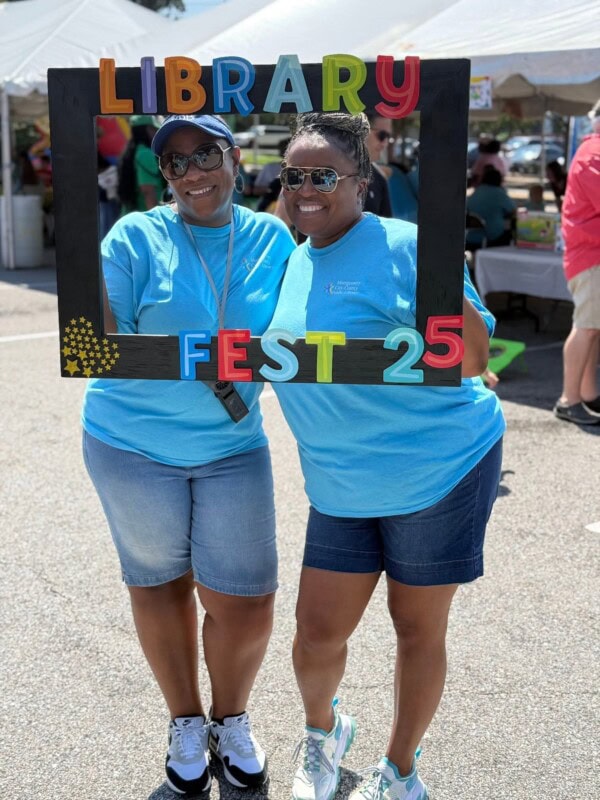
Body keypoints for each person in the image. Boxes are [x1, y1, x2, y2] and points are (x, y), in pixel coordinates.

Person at [270, 112, 505, 800]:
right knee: (316, 632)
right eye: (292, 175)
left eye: (322, 175)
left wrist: (441, 256)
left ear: (362, 182)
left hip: (438, 470)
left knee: (416, 629)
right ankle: (322, 735)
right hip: (340, 482)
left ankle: (401, 772)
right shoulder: (291, 254)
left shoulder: (405, 245)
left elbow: (474, 359)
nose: (305, 188)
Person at [82, 114, 295, 795]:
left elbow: (306, 330)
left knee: (248, 599)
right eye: (173, 163)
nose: (192, 172)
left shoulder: (271, 238)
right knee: (160, 587)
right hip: (132, 443)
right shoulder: (136, 234)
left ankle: (231, 718)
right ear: (161, 175)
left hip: (233, 445)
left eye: (204, 153)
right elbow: (98, 344)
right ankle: (184, 720)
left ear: (234, 156)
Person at [553, 101, 600, 425]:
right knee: (586, 327)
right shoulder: (593, 154)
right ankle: (569, 399)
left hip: (589, 254)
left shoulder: (590, 151)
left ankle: (587, 394)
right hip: (590, 255)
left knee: (592, 327)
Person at [117, 114, 165, 213]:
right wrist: (154, 221)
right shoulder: (145, 154)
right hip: (145, 219)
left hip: (131, 216)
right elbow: (148, 192)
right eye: (154, 129)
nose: (156, 133)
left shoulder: (131, 152)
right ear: (147, 130)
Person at [466, 166, 516, 248]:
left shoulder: (477, 191)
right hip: (492, 236)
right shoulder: (500, 194)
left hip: (470, 236)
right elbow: (513, 211)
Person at [364, 113, 393, 216]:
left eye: (388, 137)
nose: (385, 143)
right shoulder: (335, 173)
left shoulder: (379, 177)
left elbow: (387, 226)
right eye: (382, 136)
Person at [97, 153, 120, 239]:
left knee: (106, 224)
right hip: (109, 201)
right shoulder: (113, 169)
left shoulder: (111, 171)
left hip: (109, 202)